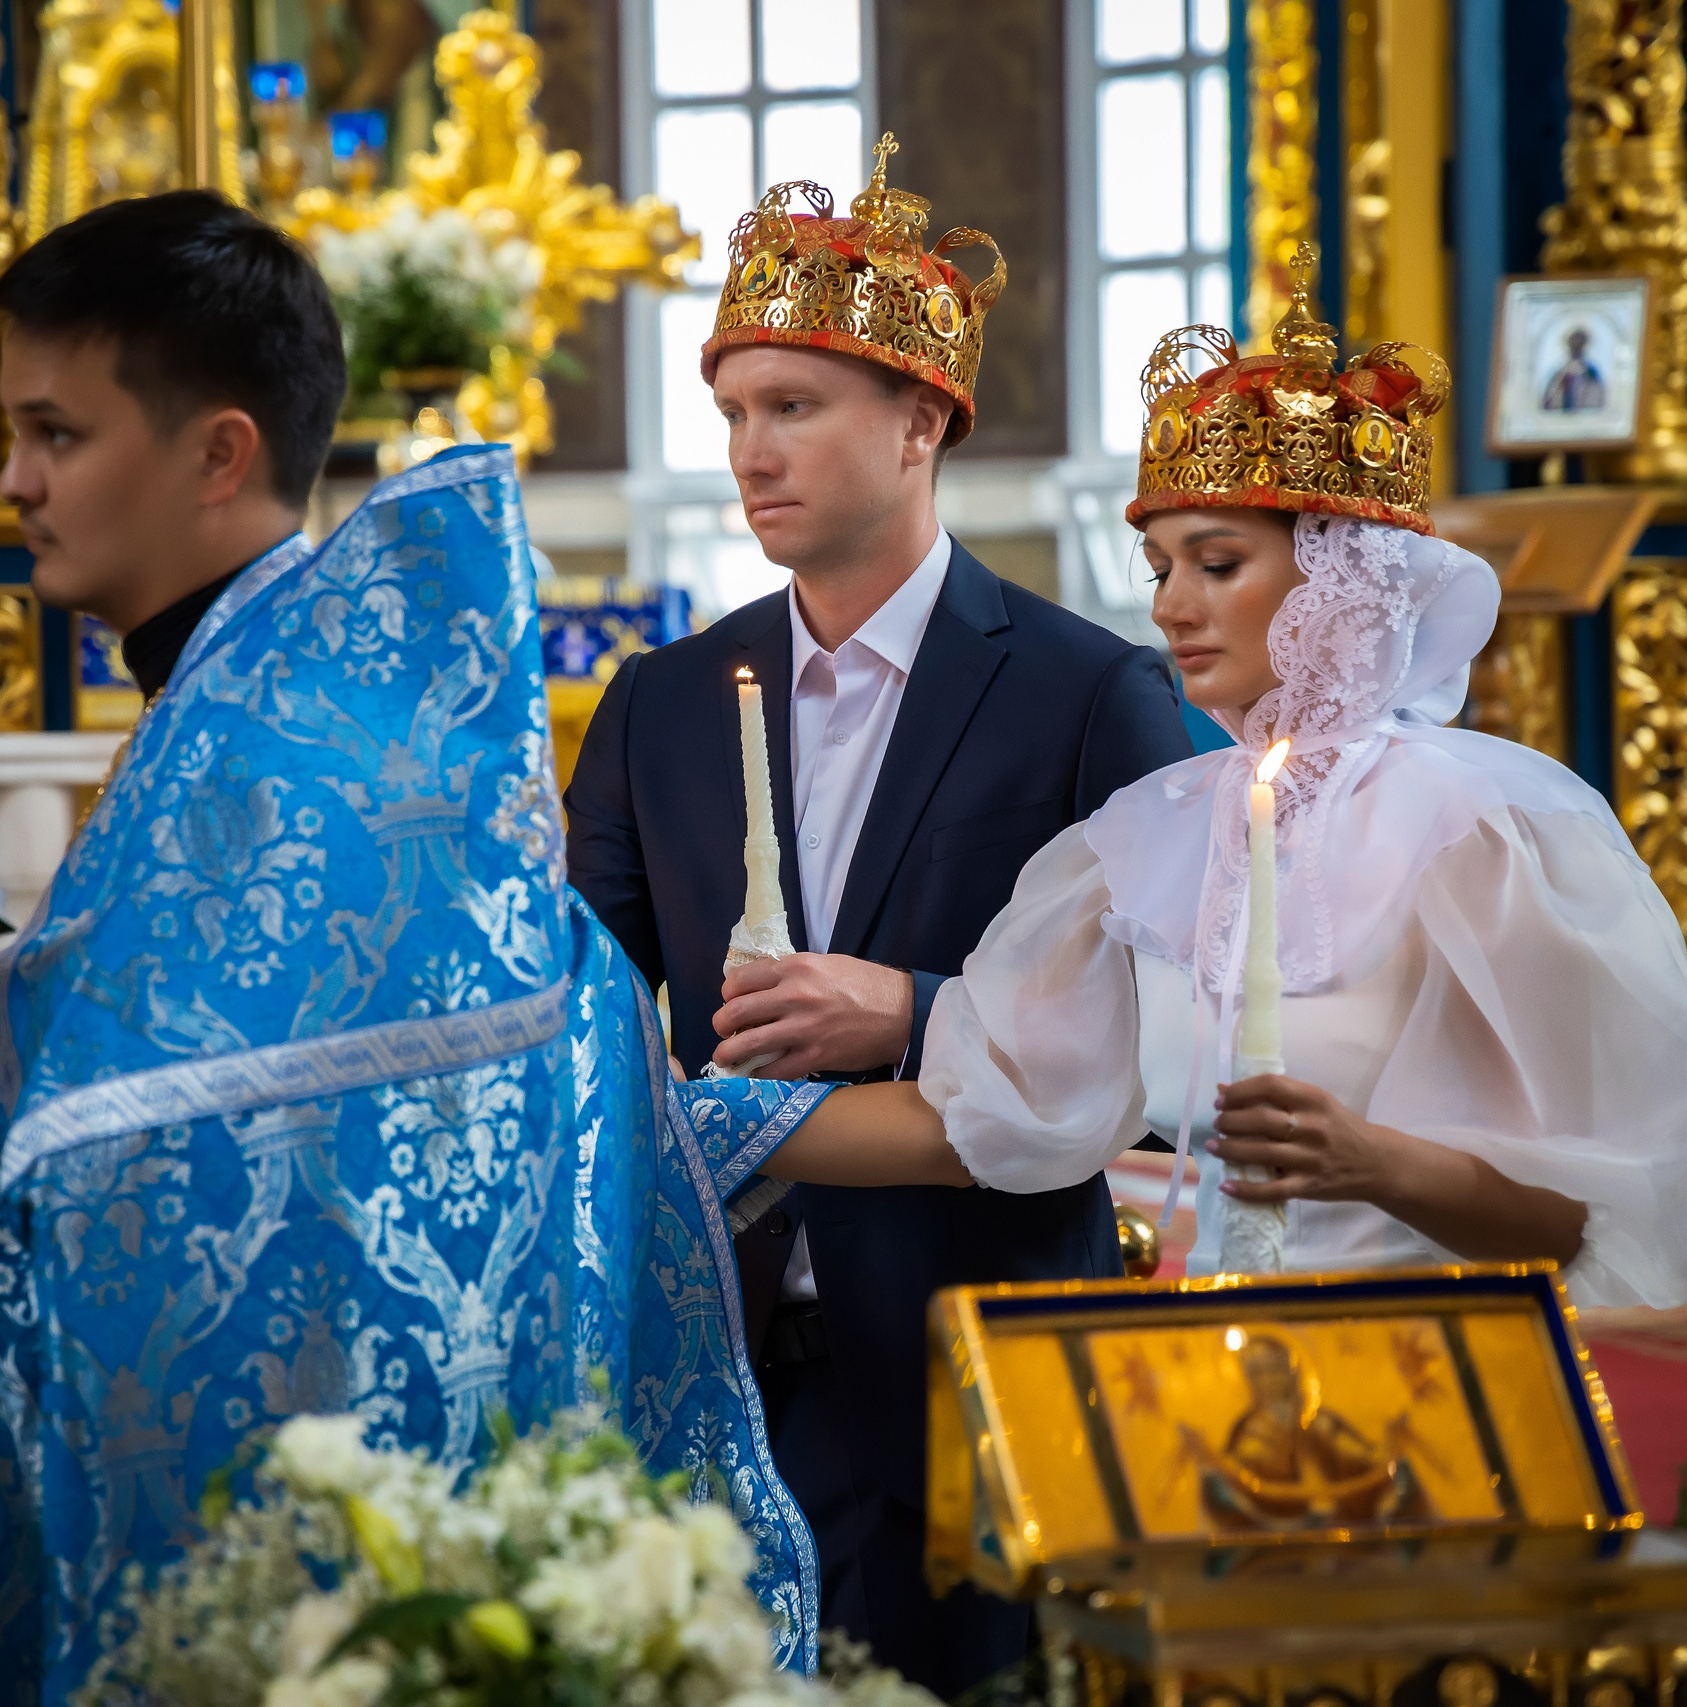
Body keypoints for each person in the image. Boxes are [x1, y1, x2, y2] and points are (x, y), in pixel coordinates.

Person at [0, 192, 834, 1702]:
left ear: (218, 450)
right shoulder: (288, 708)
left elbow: (196, 1149)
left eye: (56, 433)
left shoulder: (279, 753)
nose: (10, 481)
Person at [751, 247, 1687, 1313]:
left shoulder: (1480, 832)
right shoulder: (1147, 840)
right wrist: (700, 1129)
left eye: (1217, 564)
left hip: (1441, 1366)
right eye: (1162, 569)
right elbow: (976, 1112)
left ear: (1338, 574)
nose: (1172, 607)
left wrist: (1380, 1165)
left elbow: (1604, 1217)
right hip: (1224, 1369)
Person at [565, 140, 1192, 1698]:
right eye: (733, 414)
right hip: (719, 1357)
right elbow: (575, 998)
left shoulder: (1086, 690)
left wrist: (907, 1002)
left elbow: (1183, 1034)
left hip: (974, 1357)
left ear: (921, 423)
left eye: (795, 407)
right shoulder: (654, 705)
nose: (750, 452)